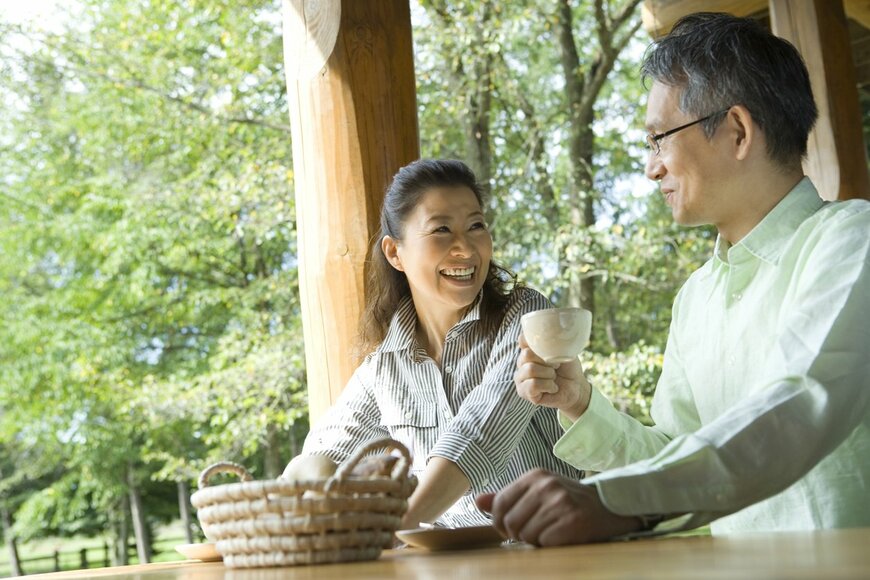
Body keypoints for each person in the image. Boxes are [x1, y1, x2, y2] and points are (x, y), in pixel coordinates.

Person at [477, 12, 870, 545]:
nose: (651, 167)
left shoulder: (852, 240)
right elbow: (674, 457)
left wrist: (615, 502)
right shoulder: (696, 297)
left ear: (737, 130)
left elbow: (801, 404)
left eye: (659, 138)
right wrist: (580, 404)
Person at [300, 158, 583, 528]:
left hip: (553, 553)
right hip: (451, 565)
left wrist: (397, 527)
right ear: (394, 253)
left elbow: (479, 434)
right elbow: (328, 451)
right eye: (442, 230)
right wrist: (292, 501)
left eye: (476, 226)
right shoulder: (385, 367)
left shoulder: (526, 315)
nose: (465, 249)